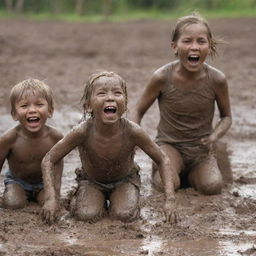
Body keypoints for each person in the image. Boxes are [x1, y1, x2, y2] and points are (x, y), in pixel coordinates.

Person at [41, 71, 175, 225]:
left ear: (125, 105)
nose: (110, 97)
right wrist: (51, 199)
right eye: (101, 93)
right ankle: (78, 198)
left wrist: (170, 200)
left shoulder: (133, 131)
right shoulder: (82, 131)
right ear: (88, 106)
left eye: (117, 93)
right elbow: (49, 159)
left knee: (124, 215)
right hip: (91, 181)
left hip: (125, 180)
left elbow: (163, 159)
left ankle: (129, 197)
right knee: (86, 215)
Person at [132, 13, 232, 197]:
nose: (194, 47)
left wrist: (214, 136)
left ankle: (198, 170)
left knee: (212, 187)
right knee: (168, 184)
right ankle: (163, 167)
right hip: (169, 145)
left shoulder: (217, 79)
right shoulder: (162, 77)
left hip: (200, 150)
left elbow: (226, 117)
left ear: (209, 46)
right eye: (187, 41)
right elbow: (138, 110)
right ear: (174, 47)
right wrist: (137, 137)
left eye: (201, 41)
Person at [0, 78, 63, 209]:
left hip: (44, 183)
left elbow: (58, 167)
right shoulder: (9, 139)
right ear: (14, 114)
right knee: (13, 203)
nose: (32, 110)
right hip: (17, 181)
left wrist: (55, 193)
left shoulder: (55, 137)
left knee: (50, 203)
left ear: (50, 111)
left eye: (39, 105)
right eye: (24, 106)